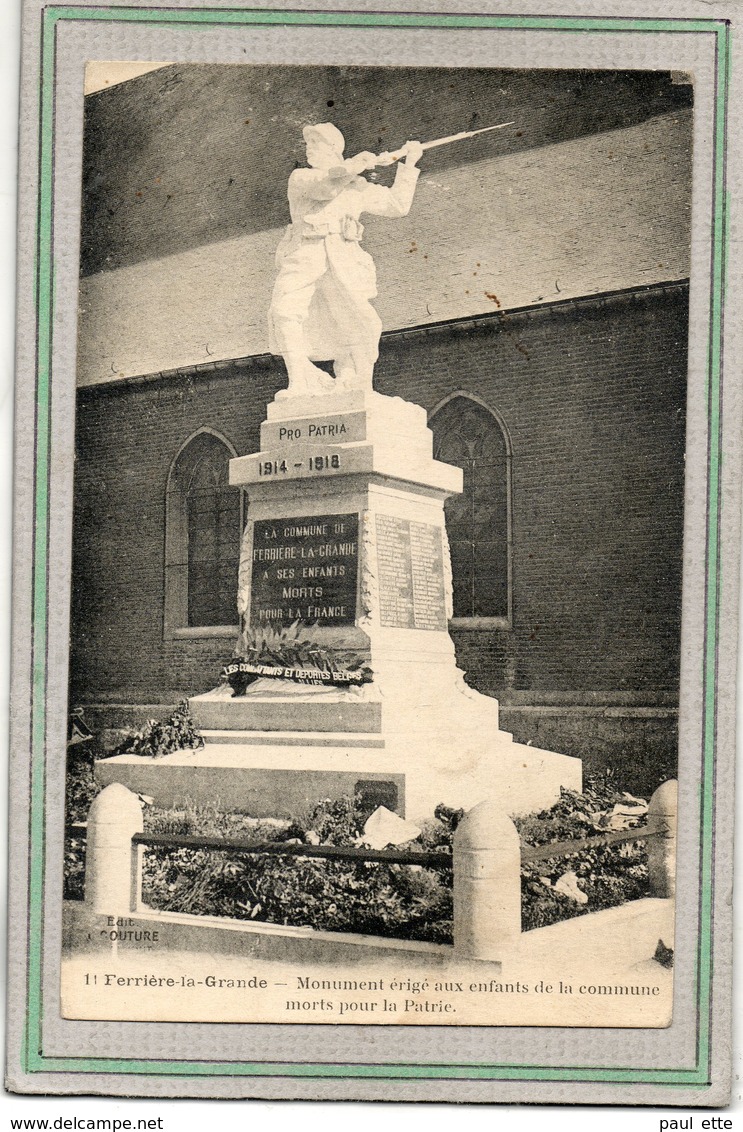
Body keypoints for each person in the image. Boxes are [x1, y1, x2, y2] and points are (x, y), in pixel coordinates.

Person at [268, 122, 423, 396]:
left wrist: (409, 162)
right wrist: (357, 163)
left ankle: (358, 381)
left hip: (344, 256)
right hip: (306, 252)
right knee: (284, 311)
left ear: (333, 149)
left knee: (359, 319)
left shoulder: (356, 187)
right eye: (308, 144)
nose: (309, 150)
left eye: (316, 144)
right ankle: (299, 382)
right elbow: (325, 187)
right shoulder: (301, 177)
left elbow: (397, 205)